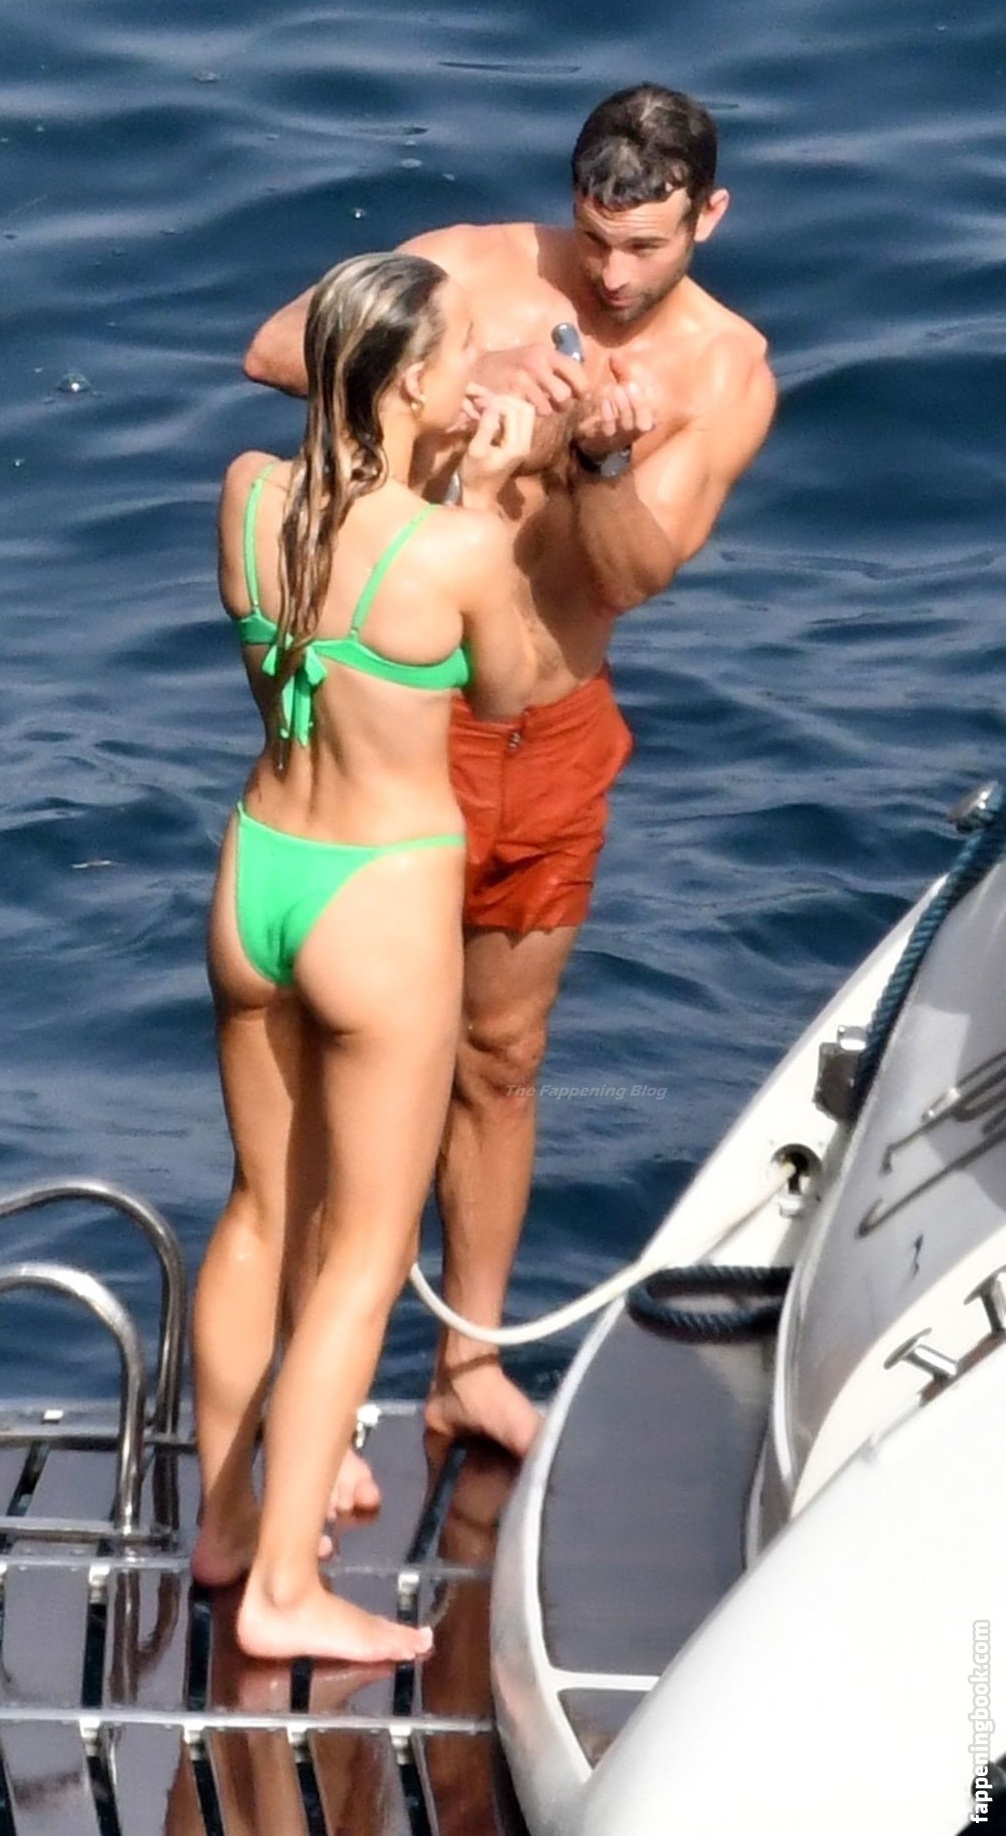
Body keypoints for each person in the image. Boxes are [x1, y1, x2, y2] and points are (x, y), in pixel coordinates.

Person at [244, 83, 778, 1490]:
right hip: (403, 724)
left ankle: (466, 1364)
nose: (612, 274)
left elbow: (633, 575)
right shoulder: (472, 266)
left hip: (552, 733)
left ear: (707, 219)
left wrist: (599, 456)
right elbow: (272, 348)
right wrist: (453, 370)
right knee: (345, 1057)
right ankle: (316, 1399)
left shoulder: (725, 372)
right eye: (595, 237)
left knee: (501, 1059)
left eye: (645, 246)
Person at [192, 249, 538, 1663]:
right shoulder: (450, 550)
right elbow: (514, 690)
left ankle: (223, 1527)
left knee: (259, 1213)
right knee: (366, 1253)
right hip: (378, 901)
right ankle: (284, 1588)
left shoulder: (245, 493)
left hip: (258, 873)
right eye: (462, 357)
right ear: (410, 384)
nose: (478, 376)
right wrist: (492, 502)